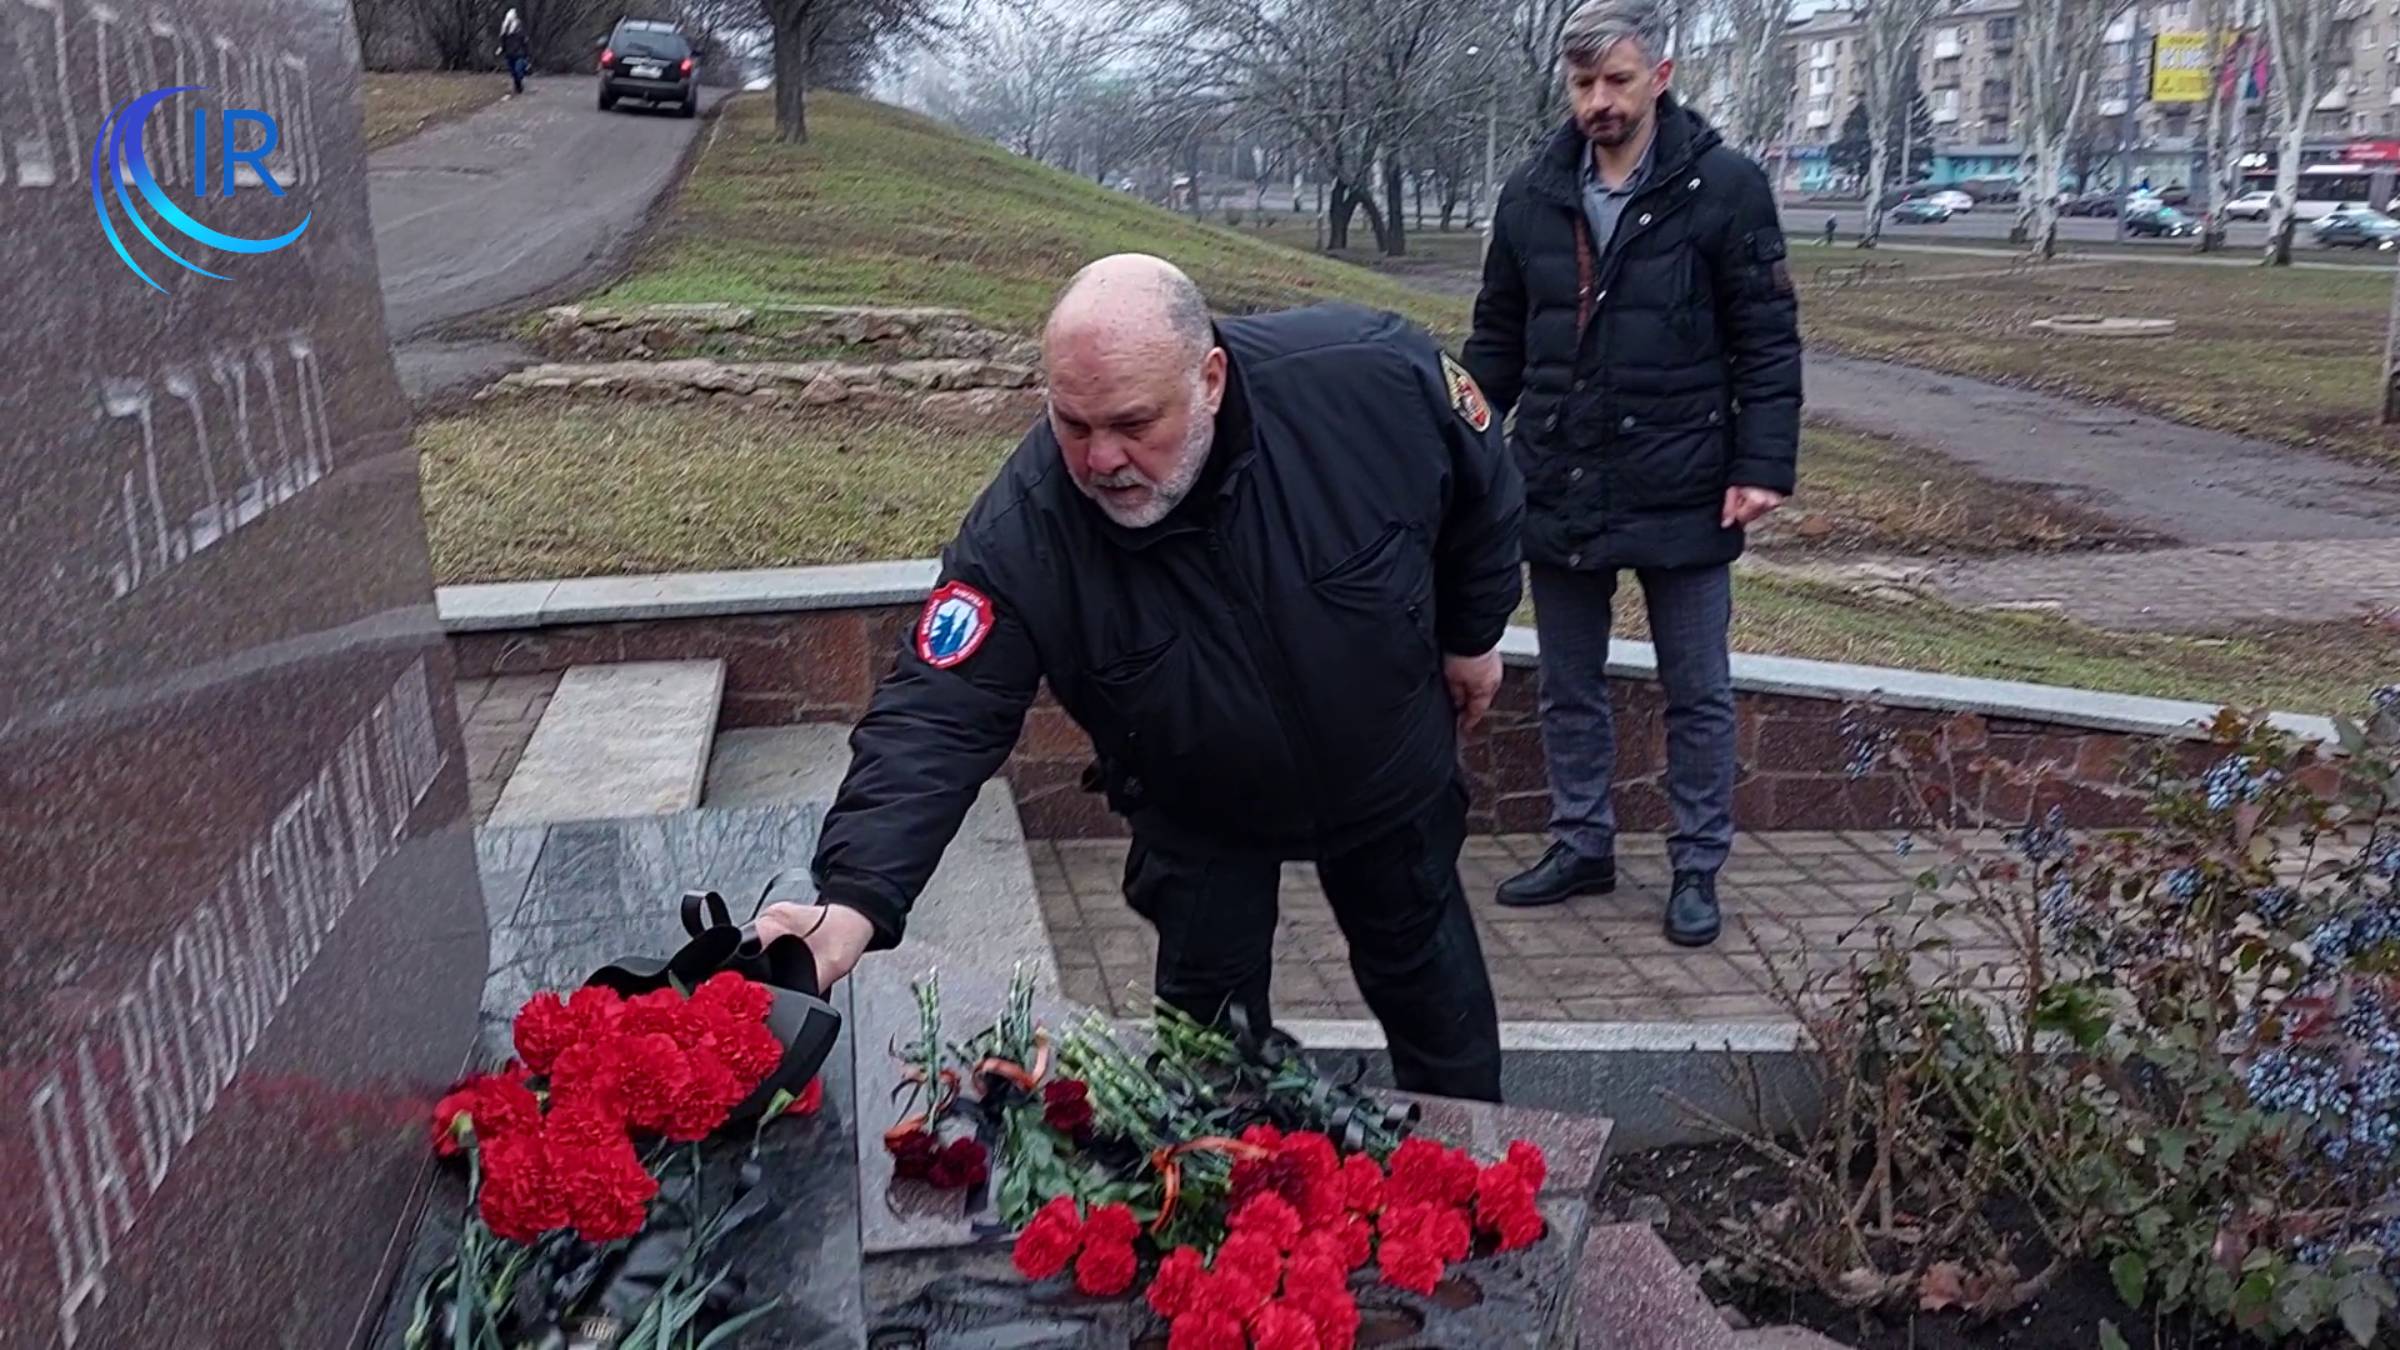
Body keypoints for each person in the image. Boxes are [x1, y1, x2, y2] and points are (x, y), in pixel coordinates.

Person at [758, 254, 1526, 1102]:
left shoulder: (1368, 379)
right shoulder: (1029, 528)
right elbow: (939, 712)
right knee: (1206, 1071)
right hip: (1199, 814)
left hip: (1390, 781)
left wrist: (1470, 634)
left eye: (1131, 422)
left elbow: (1485, 490)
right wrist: (856, 899)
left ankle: (1479, 1197)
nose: (1100, 460)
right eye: (1073, 423)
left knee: (1442, 1020)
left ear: (1210, 378)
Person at [1460, 0, 1801, 946]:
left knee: (1697, 688)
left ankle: (1697, 865)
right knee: (1570, 682)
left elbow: (1767, 341)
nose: (1598, 102)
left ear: (1661, 76)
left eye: (1616, 81)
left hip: (1687, 476)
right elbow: (1495, 340)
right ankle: (1582, 842)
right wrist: (1460, 437)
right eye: (1582, 86)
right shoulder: (1533, 191)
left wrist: (1761, 465)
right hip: (1562, 477)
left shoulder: (1726, 187)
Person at [499, 9, 530, 96]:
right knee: (513, 72)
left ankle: (519, 82)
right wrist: (501, 48)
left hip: (519, 53)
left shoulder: (519, 27)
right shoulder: (504, 29)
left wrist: (527, 53)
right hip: (509, 53)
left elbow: (524, 40)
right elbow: (503, 41)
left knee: (518, 70)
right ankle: (518, 86)